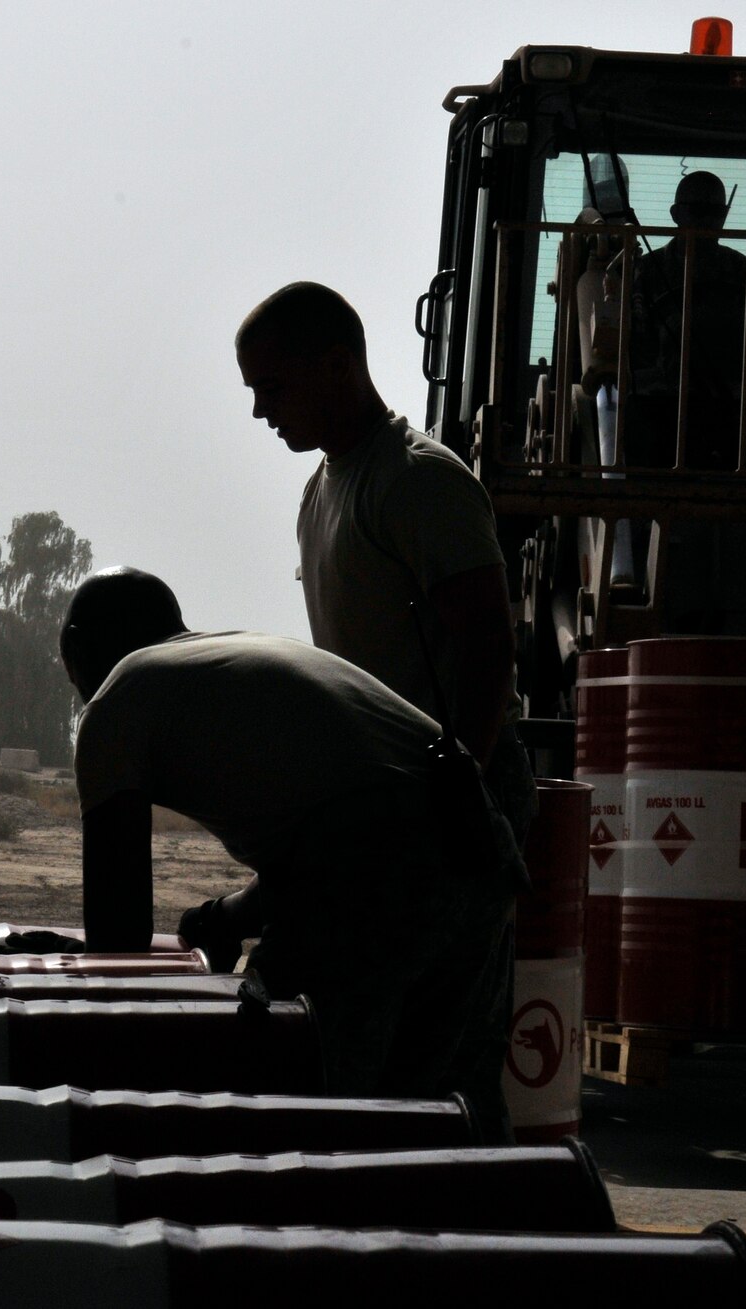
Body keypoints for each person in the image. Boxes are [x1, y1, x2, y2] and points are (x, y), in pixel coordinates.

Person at [60, 567, 519, 1138]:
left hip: (385, 870)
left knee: (300, 1085)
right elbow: (341, 839)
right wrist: (224, 918)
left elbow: (117, 939)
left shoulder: (116, 701)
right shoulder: (245, 656)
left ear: (76, 646)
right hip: (480, 843)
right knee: (453, 1118)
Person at [231, 282, 537, 940]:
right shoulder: (321, 491)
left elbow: (489, 649)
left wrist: (459, 794)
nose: (260, 410)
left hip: (451, 790)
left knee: (435, 1024)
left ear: (338, 366)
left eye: (273, 387)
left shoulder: (418, 480)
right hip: (387, 794)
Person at [628, 170, 746, 464]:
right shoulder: (647, 271)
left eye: (717, 212)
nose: (709, 221)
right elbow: (636, 345)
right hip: (667, 405)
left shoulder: (742, 268)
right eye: (699, 211)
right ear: (676, 214)